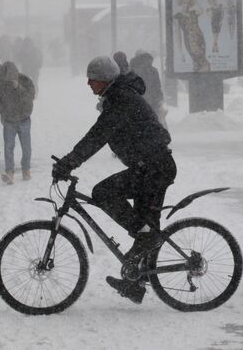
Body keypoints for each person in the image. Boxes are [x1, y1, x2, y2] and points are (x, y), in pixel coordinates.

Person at [52, 56, 176, 304]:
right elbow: (99, 134)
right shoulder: (118, 96)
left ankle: (146, 238)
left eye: (92, 79)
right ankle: (135, 282)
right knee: (144, 225)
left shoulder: (122, 100)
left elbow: (97, 136)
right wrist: (70, 160)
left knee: (103, 192)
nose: (88, 83)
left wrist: (69, 162)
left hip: (154, 168)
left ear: (105, 79)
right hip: (149, 167)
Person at [0, 62, 36, 184]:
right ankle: (9, 172)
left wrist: (18, 87)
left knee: (26, 148)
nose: (8, 80)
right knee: (8, 147)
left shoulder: (25, 81)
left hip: (24, 119)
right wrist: (2, 114)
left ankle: (26, 169)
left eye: (10, 77)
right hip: (9, 120)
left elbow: (30, 98)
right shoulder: (1, 84)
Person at [130, 50, 167, 129]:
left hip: (141, 99)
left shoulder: (134, 70)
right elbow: (157, 86)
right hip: (150, 99)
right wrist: (159, 98)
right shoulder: (152, 70)